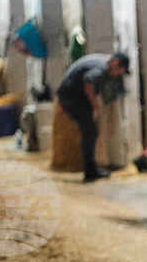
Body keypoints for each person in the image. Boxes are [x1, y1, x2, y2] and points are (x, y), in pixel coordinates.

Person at [56, 52, 130, 182]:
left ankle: (91, 168)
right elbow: (88, 83)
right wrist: (95, 105)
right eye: (119, 71)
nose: (118, 75)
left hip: (71, 95)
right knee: (90, 131)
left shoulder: (102, 61)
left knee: (90, 131)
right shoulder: (102, 69)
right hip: (71, 97)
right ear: (115, 63)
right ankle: (90, 171)